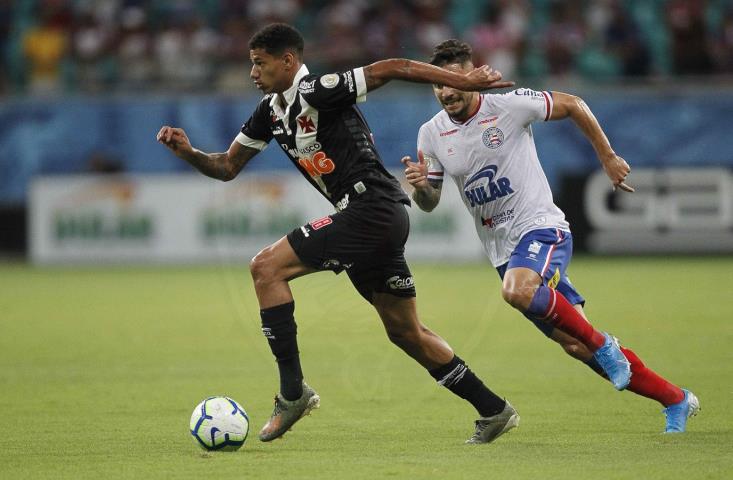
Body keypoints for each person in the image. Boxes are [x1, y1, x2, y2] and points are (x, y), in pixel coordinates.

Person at [157, 23, 518, 444]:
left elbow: (393, 66)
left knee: (265, 269)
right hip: (374, 219)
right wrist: (188, 152)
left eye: (260, 63)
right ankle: (494, 410)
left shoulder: (316, 90)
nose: (253, 73)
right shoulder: (269, 112)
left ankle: (293, 394)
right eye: (251, 64)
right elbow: (226, 167)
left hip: (373, 209)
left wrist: (461, 79)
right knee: (406, 332)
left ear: (288, 61)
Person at [401, 39, 699, 433]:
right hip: (503, 250)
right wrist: (421, 186)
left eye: (453, 82)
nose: (445, 92)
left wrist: (607, 157)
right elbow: (429, 202)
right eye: (437, 85)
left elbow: (574, 103)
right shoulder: (431, 133)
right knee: (575, 344)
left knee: (518, 292)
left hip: (541, 227)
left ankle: (605, 345)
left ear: (472, 77)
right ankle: (675, 399)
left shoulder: (507, 106)